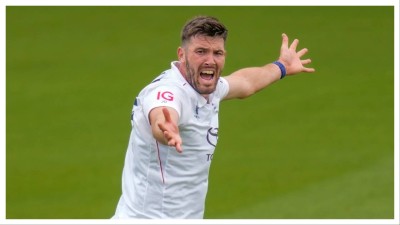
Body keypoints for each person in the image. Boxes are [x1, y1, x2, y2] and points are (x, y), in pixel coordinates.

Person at [112, 15, 315, 219]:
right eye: (201, 51)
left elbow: (245, 82)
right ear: (182, 55)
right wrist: (167, 129)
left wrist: (281, 67)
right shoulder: (168, 91)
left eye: (217, 53)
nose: (210, 60)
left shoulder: (210, 88)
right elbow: (162, 113)